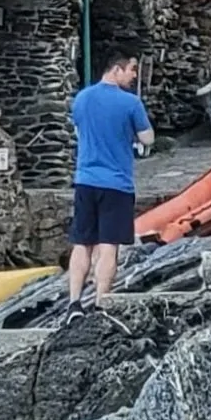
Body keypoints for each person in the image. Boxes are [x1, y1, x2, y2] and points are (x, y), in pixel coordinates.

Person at [66, 49, 154, 302]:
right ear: (117, 69)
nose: (134, 75)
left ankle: (74, 301)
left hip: (85, 181)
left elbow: (78, 130)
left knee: (82, 243)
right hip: (116, 184)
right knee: (108, 246)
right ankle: (101, 301)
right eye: (131, 69)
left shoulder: (81, 98)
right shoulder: (130, 103)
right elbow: (148, 137)